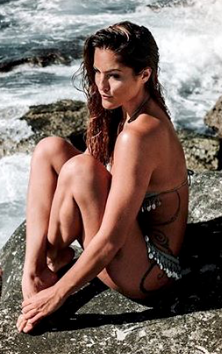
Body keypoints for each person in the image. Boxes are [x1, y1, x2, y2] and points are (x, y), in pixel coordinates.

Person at [17, 21, 191, 333]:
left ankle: (56, 257)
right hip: (134, 240)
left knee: (80, 170)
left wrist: (57, 296)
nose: (101, 85)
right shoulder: (121, 110)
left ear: (144, 74)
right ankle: (35, 270)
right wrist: (30, 270)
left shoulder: (139, 135)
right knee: (49, 149)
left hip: (150, 271)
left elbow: (110, 239)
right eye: (97, 72)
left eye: (114, 75)